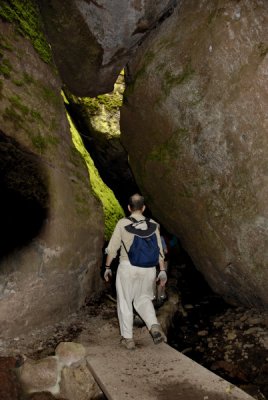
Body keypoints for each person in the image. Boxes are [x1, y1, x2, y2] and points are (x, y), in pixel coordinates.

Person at [104, 193, 167, 350]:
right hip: (149, 269)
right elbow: (159, 250)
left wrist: (107, 267)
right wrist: (163, 271)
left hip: (128, 267)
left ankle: (128, 339)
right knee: (144, 299)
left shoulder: (122, 223)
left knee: (125, 302)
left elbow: (112, 249)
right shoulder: (153, 224)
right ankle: (153, 325)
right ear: (143, 208)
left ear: (129, 207)